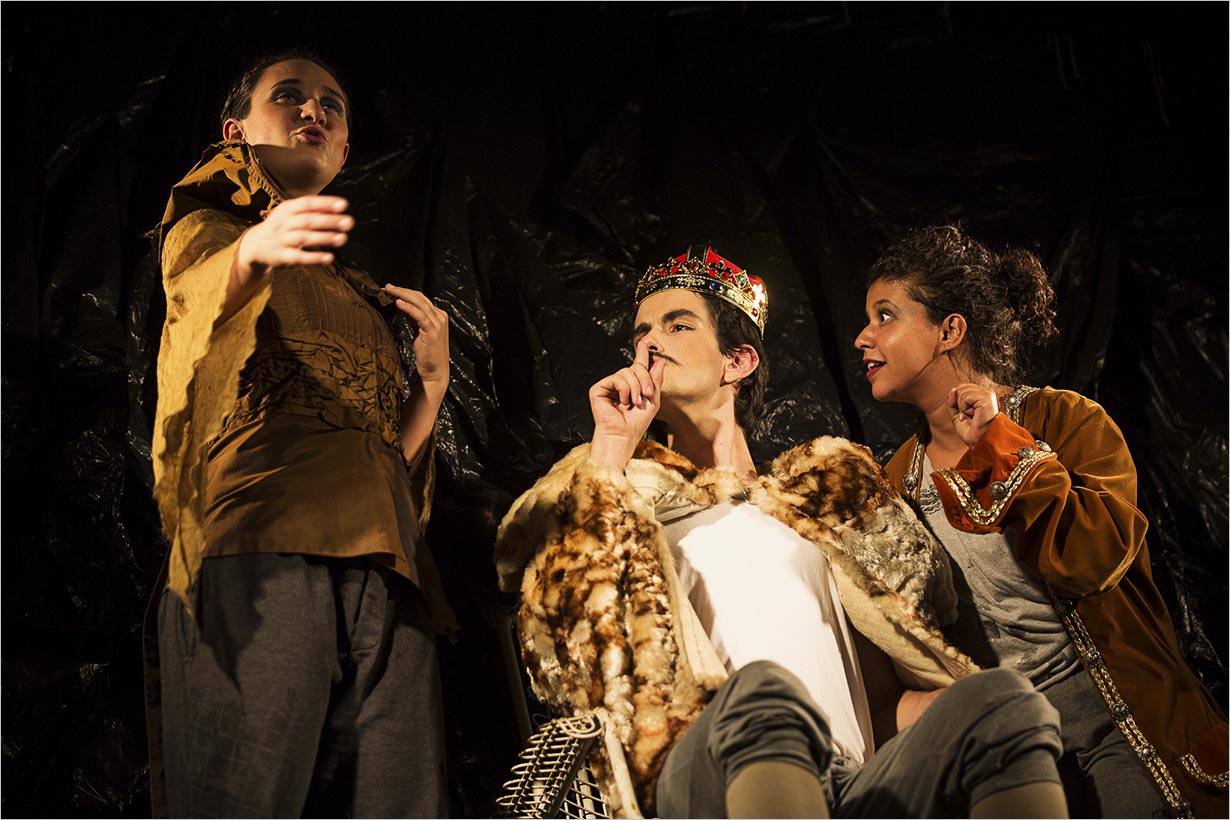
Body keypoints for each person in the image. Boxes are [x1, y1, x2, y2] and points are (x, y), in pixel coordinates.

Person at [495, 247, 1069, 818]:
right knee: (766, 693)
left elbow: (879, 701)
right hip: (700, 770)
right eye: (641, 333)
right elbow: (572, 625)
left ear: (738, 362)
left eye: (678, 325)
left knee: (1002, 701)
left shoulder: (819, 504)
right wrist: (613, 448)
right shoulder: (616, 486)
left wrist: (964, 720)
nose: (650, 345)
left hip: (844, 781)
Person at [148, 50, 456, 817]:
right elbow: (192, 310)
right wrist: (249, 253)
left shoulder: (355, 292)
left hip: (384, 575)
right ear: (236, 133)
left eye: (332, 105)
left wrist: (429, 389)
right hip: (261, 550)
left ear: (345, 150)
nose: (313, 110)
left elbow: (383, 461)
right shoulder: (209, 229)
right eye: (288, 96)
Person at [855, 224, 1229, 818]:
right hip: (1006, 745)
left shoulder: (1066, 421)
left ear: (950, 330)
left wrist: (1000, 445)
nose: (862, 337)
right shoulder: (898, 477)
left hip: (1119, 728)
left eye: (884, 315)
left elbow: (1096, 560)